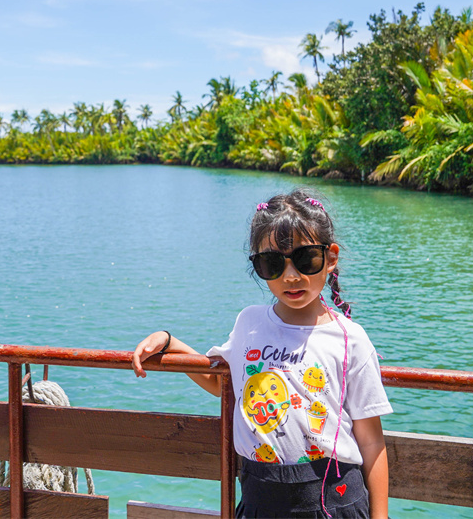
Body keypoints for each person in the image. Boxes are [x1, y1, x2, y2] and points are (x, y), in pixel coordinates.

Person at [132, 188, 391, 518]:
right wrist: (171, 343)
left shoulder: (349, 339)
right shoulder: (249, 323)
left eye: (306, 258)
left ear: (331, 257)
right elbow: (223, 384)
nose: (291, 276)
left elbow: (371, 442)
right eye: (272, 264)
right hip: (260, 499)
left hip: (333, 500)